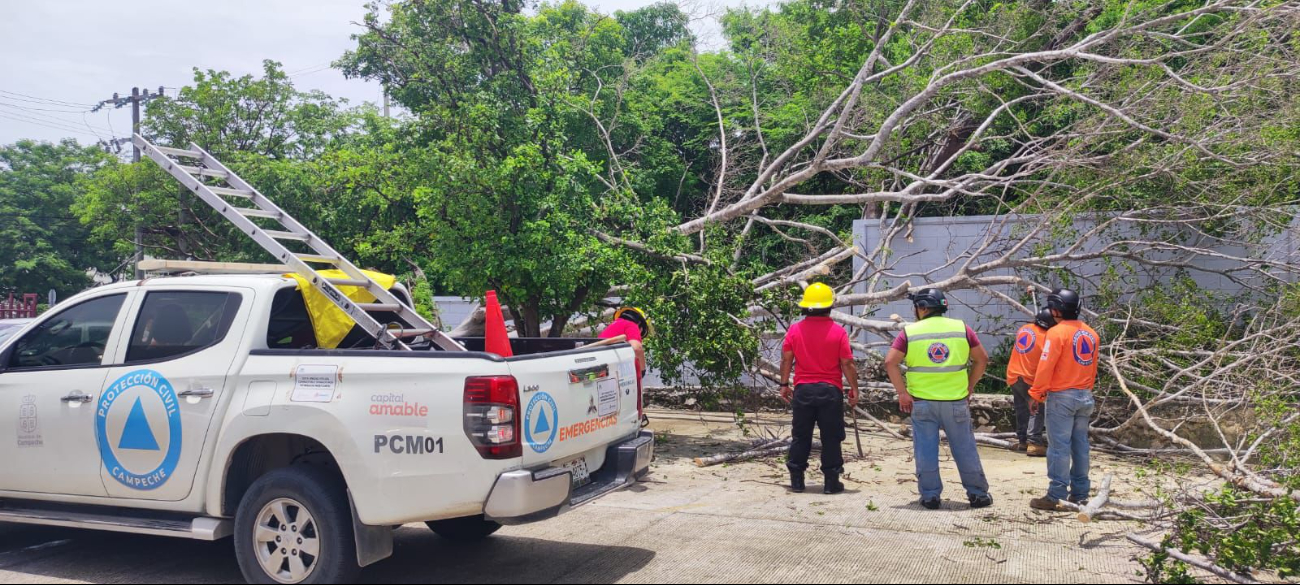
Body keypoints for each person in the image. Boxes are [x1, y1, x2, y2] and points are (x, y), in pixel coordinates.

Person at [883, 288, 993, 510]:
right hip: (956, 401)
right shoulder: (962, 328)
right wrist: (970, 386)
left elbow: (890, 362)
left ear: (922, 307)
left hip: (922, 403)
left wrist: (902, 393)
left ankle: (931, 496)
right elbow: (982, 359)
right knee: (965, 449)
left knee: (925, 450)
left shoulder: (909, 332)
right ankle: (978, 494)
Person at [778, 282, 859, 495]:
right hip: (830, 391)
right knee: (831, 436)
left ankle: (797, 480)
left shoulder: (795, 330)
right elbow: (847, 363)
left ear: (805, 306)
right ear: (829, 306)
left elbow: (786, 359)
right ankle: (831, 482)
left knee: (801, 435)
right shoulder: (838, 332)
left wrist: (784, 384)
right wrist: (854, 388)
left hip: (803, 390)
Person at [1029, 288, 1101, 511]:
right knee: (1080, 446)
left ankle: (1056, 494)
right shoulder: (1091, 333)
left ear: (1056, 309)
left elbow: (1046, 365)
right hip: (1084, 395)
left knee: (1059, 447)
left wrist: (1036, 393)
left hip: (1062, 397)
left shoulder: (1056, 333)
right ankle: (1080, 494)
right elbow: (1093, 366)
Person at [1007, 307, 1057, 456]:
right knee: (1036, 410)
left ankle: (1022, 441)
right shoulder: (1047, 338)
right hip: (1030, 378)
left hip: (1014, 376)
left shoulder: (1024, 329)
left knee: (1021, 409)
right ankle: (1034, 443)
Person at [600, 307, 652, 426]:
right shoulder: (631, 325)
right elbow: (636, 348)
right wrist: (642, 369)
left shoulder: (614, 326)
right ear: (639, 323)